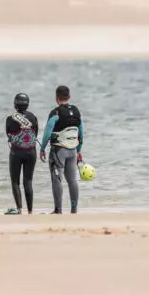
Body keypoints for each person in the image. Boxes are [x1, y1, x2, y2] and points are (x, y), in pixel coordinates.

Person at [39, 85, 84, 214]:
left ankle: (58, 209)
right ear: (69, 97)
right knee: (72, 180)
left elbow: (48, 133)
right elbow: (81, 133)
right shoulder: (76, 111)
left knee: (57, 178)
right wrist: (79, 150)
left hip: (58, 152)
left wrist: (42, 148)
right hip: (72, 151)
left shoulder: (55, 113)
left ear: (56, 98)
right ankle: (74, 209)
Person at [5, 93, 38, 214]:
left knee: (15, 181)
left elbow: (8, 134)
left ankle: (19, 209)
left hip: (16, 152)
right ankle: (30, 211)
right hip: (31, 152)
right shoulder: (33, 117)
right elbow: (36, 134)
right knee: (28, 181)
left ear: (15, 104)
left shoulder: (10, 118)